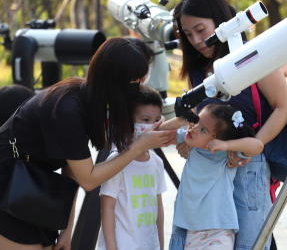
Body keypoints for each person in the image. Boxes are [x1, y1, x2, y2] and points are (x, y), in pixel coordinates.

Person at [0, 38, 176, 250]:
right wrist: (138, 147)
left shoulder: (90, 101)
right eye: (135, 82)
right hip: (9, 183)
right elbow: (88, 179)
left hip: (33, 186)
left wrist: (66, 229)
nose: (137, 89)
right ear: (115, 79)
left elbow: (72, 172)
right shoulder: (68, 109)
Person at [171, 0, 287, 249]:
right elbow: (199, 117)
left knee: (250, 242)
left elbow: (284, 108)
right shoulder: (197, 69)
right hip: (208, 170)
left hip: (248, 167)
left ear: (220, 19)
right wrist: (188, 139)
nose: (194, 40)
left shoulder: (253, 56)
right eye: (187, 33)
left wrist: (250, 148)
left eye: (200, 30)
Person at [163, 103, 264, 250]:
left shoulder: (224, 154)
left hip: (217, 231)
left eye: (203, 130)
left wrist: (227, 145)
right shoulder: (192, 144)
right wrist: (181, 120)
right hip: (187, 231)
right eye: (196, 121)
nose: (194, 129)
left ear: (216, 139)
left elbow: (257, 145)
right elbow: (159, 133)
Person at [97, 85, 167, 250]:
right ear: (128, 121)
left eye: (157, 120)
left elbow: (159, 207)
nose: (152, 126)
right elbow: (107, 208)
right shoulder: (116, 162)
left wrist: (160, 245)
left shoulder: (156, 163)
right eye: (145, 120)